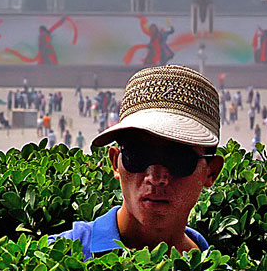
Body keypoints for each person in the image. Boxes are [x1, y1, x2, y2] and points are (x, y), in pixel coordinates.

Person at [51, 65, 224, 260]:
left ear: (211, 172)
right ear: (115, 163)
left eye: (178, 159)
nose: (156, 177)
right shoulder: (56, 257)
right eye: (138, 155)